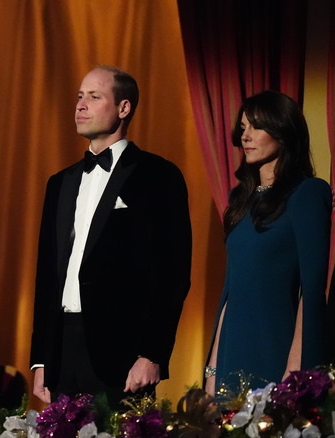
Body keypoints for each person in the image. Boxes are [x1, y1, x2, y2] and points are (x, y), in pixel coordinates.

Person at [30, 66, 192, 408]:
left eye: (94, 96)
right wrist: (42, 358)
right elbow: (48, 276)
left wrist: (152, 353)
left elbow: (172, 274)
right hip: (63, 352)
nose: (80, 105)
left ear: (123, 108)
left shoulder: (158, 176)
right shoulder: (59, 182)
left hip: (122, 355)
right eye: (79, 97)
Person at [204, 90, 331, 395]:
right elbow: (230, 292)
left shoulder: (308, 194)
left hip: (277, 352)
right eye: (243, 127)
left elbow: (311, 290)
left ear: (283, 132)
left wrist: (297, 370)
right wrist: (211, 370)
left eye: (256, 127)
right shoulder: (239, 200)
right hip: (230, 357)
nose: (245, 136)